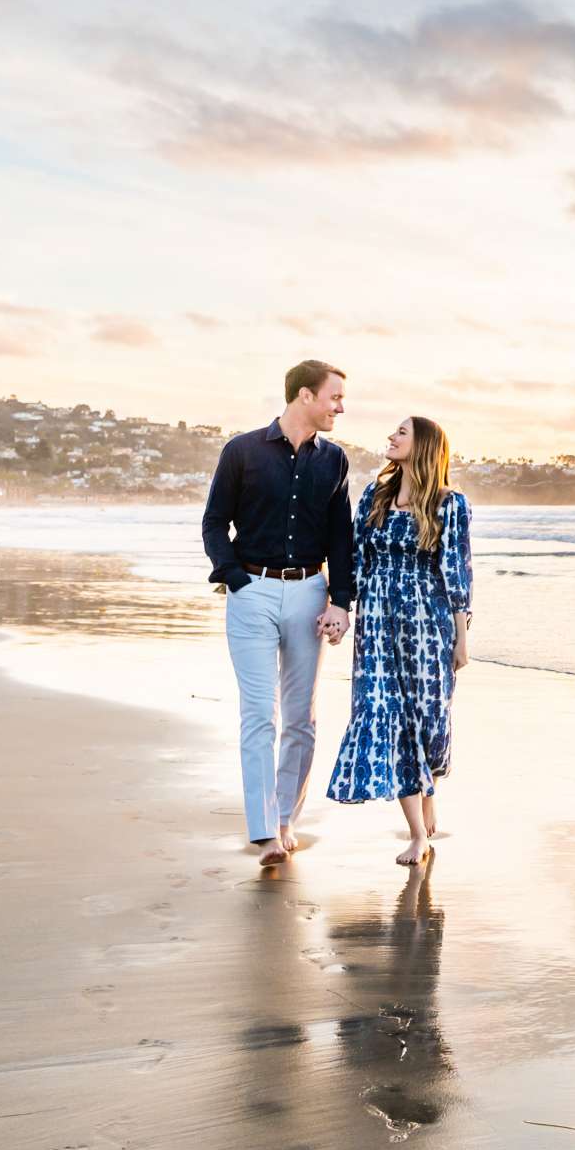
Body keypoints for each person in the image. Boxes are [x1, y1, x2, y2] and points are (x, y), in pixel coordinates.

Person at [201, 360, 356, 867]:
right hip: (252, 591)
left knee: (302, 719)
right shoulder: (241, 451)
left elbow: (341, 538)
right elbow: (214, 523)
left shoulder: (334, 461)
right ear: (305, 395)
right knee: (257, 715)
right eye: (334, 397)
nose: (340, 407)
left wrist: (339, 600)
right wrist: (235, 578)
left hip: (310, 591)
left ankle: (287, 817)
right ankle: (265, 832)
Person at [327, 415, 472, 868]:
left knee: (428, 720)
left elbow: (457, 572)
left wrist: (461, 639)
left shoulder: (451, 504)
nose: (390, 437)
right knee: (385, 714)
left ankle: (428, 791)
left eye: (401, 432)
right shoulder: (375, 495)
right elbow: (352, 556)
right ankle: (417, 834)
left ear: (424, 446)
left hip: (427, 625)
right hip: (378, 623)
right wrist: (341, 610)